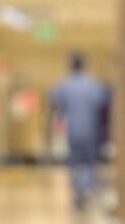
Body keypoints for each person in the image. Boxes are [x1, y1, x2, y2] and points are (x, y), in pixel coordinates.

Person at [47, 51, 113, 210]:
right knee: (90, 162)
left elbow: (54, 104)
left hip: (72, 130)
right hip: (91, 129)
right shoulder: (93, 84)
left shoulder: (64, 85)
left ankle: (78, 190)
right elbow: (104, 104)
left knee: (75, 162)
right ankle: (87, 189)